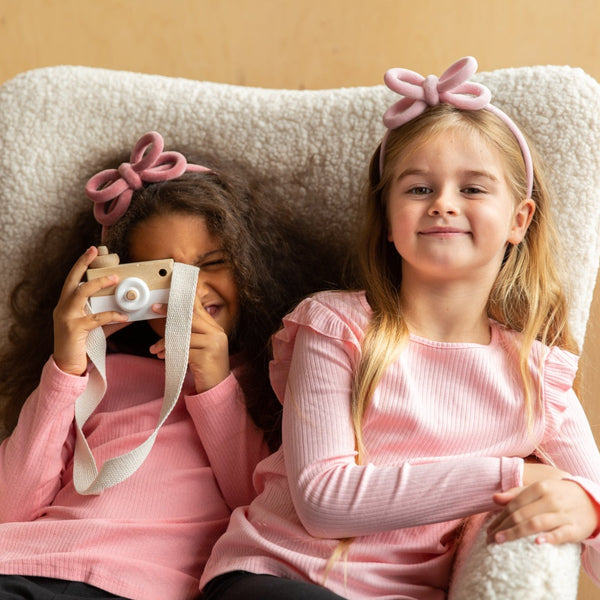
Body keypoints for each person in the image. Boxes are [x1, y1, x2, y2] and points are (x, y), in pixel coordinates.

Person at [199, 57, 600, 600]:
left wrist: (588, 512)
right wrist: (511, 478)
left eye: (474, 189)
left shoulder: (536, 375)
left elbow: (589, 505)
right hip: (275, 577)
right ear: (388, 220)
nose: (443, 204)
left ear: (519, 221)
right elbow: (322, 502)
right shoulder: (336, 327)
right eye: (418, 189)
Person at [0, 131, 342, 600]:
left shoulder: (280, 378)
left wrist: (216, 386)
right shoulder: (100, 375)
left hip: (146, 586)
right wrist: (64, 368)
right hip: (25, 564)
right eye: (160, 274)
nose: (190, 291)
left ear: (252, 265)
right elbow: (10, 507)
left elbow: (264, 515)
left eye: (214, 263)